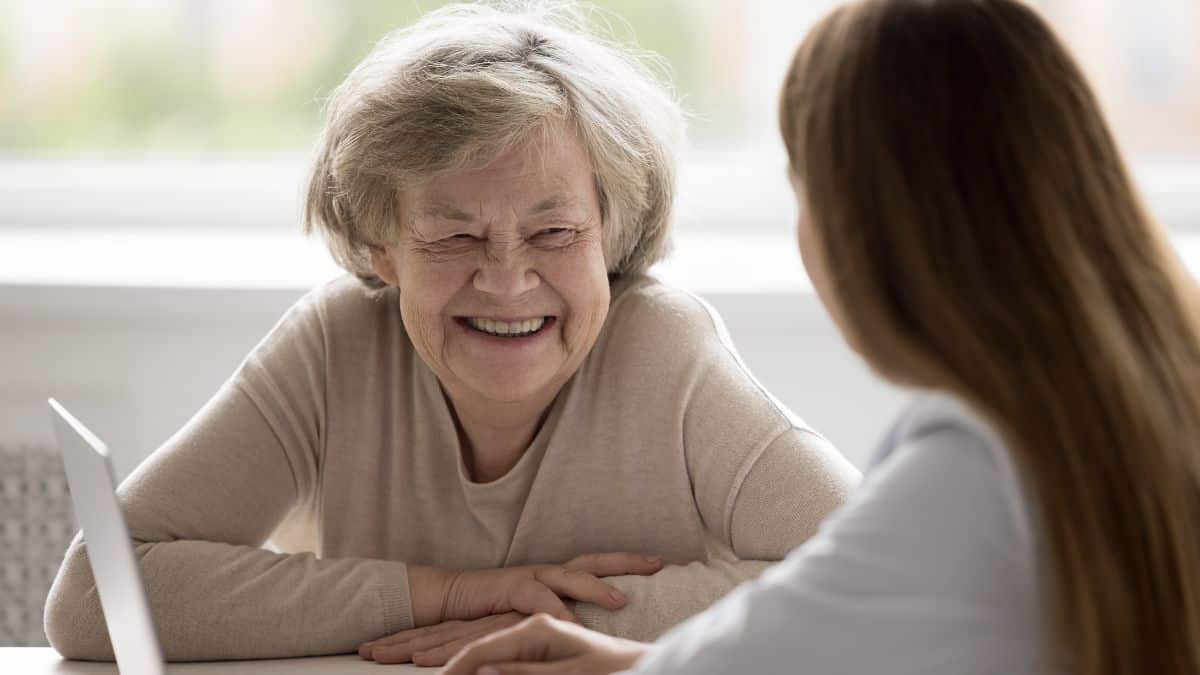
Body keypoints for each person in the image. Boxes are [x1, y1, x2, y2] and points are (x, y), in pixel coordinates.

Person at [42, 3, 859, 666]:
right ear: (382, 248)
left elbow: (876, 573)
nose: (506, 279)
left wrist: (563, 620)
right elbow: (90, 599)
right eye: (454, 236)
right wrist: (445, 594)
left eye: (554, 233)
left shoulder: (663, 348)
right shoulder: (335, 347)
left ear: (610, 236)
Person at [442, 0, 1200, 673]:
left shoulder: (972, 469)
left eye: (802, 188)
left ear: (868, 229)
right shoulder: (1137, 394)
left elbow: (791, 640)